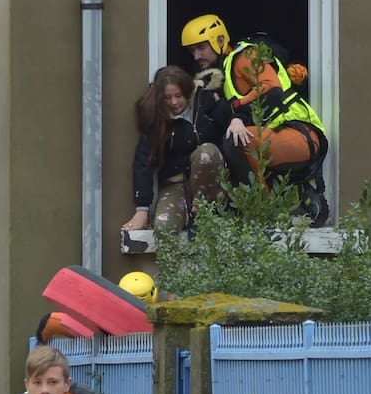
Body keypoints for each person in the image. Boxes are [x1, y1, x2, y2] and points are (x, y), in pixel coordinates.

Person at [180, 14, 330, 227]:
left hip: (299, 133)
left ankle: (264, 213)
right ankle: (275, 206)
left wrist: (233, 110)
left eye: (201, 47)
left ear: (220, 40)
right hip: (277, 136)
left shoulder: (245, 56)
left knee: (237, 142)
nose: (196, 56)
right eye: (192, 51)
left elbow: (272, 91)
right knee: (230, 148)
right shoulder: (220, 74)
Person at [122, 65, 226, 236]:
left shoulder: (205, 101)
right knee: (163, 229)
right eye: (167, 98)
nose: (174, 102)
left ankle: (202, 214)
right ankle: (173, 259)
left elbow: (228, 116)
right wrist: (142, 209)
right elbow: (143, 163)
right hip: (176, 184)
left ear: (187, 91)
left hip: (210, 189)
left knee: (206, 153)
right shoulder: (157, 119)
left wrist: (237, 120)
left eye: (178, 96)